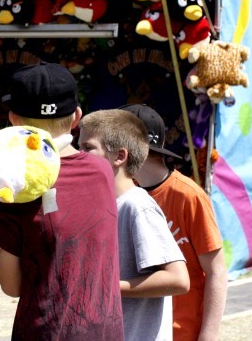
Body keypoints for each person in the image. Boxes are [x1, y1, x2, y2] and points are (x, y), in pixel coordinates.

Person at [0, 62, 124, 340]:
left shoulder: (17, 186)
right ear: (77, 117)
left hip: (46, 331)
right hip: (104, 331)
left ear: (13, 120)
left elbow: (11, 286)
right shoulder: (102, 170)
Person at [78, 109, 189, 340]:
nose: (79, 154)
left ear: (119, 156)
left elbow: (178, 279)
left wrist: (109, 288)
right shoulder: (102, 204)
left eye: (87, 148)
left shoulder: (137, 205)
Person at [120, 103, 228, 341]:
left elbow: (217, 271)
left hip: (183, 333)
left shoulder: (188, 195)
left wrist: (208, 335)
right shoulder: (124, 196)